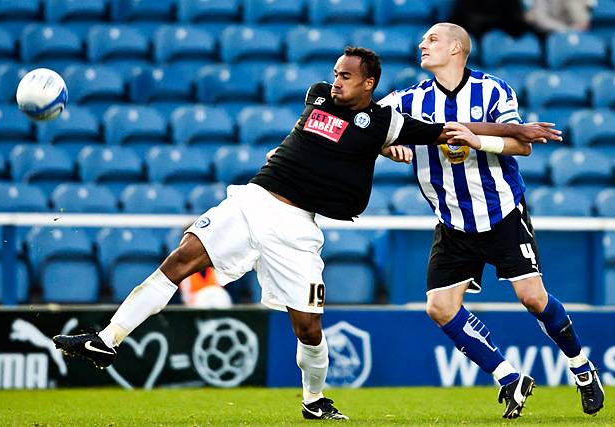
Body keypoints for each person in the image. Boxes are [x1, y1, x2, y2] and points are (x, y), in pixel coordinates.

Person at [52, 47, 560, 421]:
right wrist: (379, 145)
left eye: (346, 76)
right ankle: (107, 339)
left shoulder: (384, 119)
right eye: (335, 73)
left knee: (308, 330)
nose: (334, 81)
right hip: (252, 200)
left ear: (369, 83)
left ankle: (313, 399)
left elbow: (449, 132)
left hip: (297, 229)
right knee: (181, 259)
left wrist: (517, 132)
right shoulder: (320, 98)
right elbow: (338, 132)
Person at [379, 23, 604, 419]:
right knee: (439, 307)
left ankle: (581, 367)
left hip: (501, 212)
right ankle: (508, 376)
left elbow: (522, 144)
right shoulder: (408, 100)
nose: (422, 44)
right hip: (452, 221)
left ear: (457, 49)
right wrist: (387, 147)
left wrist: (475, 139)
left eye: (432, 39)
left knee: (533, 298)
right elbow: (368, 127)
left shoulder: (494, 90)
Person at [525, 0, 593, 34]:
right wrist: (566, 29)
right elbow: (541, 19)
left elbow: (582, 21)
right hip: (547, 33)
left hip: (573, 30)